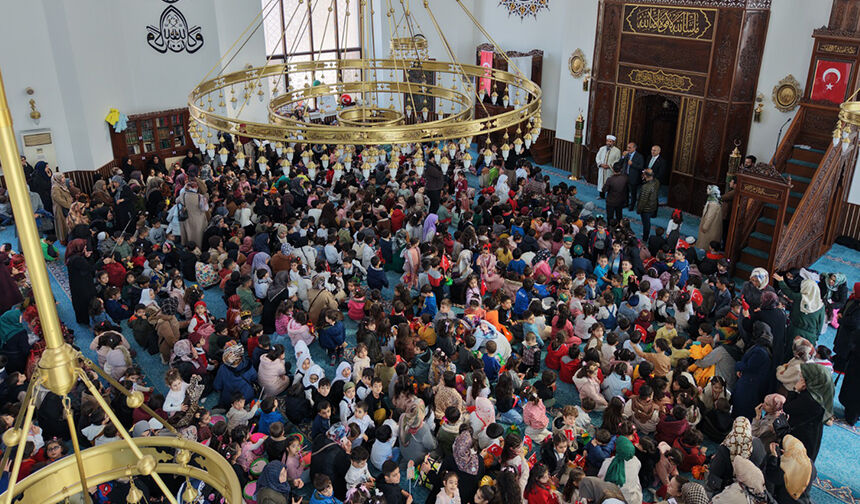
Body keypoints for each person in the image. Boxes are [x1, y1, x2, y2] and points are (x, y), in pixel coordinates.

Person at [783, 363, 833, 462]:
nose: (800, 379)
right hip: (812, 433)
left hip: (802, 436)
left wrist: (795, 390)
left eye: (802, 377)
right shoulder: (820, 390)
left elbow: (787, 408)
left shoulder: (810, 399)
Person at [833, 282, 860, 425]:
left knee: (854, 393)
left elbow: (855, 324)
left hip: (856, 368)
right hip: (855, 363)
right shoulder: (853, 299)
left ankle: (852, 416)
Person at [775, 274, 826, 345]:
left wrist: (781, 281)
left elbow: (789, 293)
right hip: (811, 336)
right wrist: (815, 337)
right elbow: (820, 325)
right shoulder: (821, 305)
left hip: (795, 332)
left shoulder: (800, 298)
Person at [616, 141, 644, 210]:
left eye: (630, 148)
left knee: (633, 193)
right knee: (625, 191)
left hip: (633, 177)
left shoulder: (639, 156)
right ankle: (626, 203)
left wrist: (632, 164)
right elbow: (620, 163)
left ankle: (632, 206)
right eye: (627, 147)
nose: (628, 149)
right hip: (625, 176)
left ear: (634, 148)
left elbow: (641, 167)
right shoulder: (626, 155)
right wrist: (622, 156)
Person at [50, 172, 73, 243]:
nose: (64, 179)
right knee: (62, 225)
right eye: (62, 177)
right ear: (57, 179)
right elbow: (59, 200)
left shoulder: (62, 185)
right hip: (60, 209)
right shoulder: (55, 188)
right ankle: (63, 239)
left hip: (66, 207)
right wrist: (69, 205)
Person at [637, 168, 659, 240]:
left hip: (646, 209)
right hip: (653, 206)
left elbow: (643, 201)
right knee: (647, 223)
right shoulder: (656, 182)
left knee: (646, 224)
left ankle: (645, 238)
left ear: (646, 176)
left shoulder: (646, 187)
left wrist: (639, 210)